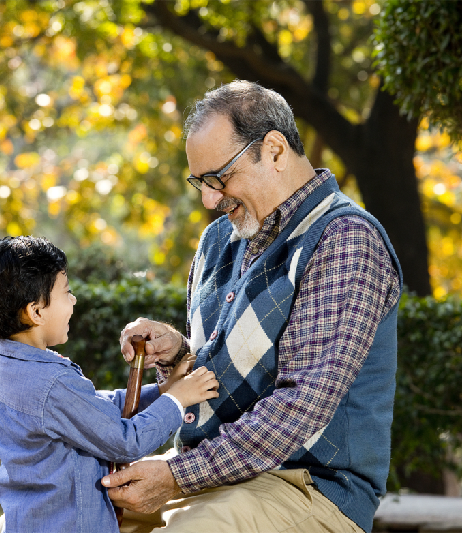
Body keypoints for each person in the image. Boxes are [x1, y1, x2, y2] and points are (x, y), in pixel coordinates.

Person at [102, 80, 403, 533]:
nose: (208, 199)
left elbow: (300, 404)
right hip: (208, 479)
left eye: (219, 178)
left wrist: (175, 478)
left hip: (308, 489)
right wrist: (177, 354)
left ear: (276, 151)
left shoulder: (345, 240)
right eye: (200, 182)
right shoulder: (220, 238)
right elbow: (226, 371)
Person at [0, 236, 219, 533]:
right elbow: (125, 442)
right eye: (67, 292)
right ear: (36, 312)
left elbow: (92, 411)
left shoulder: (14, 369)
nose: (73, 300)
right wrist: (178, 399)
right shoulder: (50, 382)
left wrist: (161, 391)